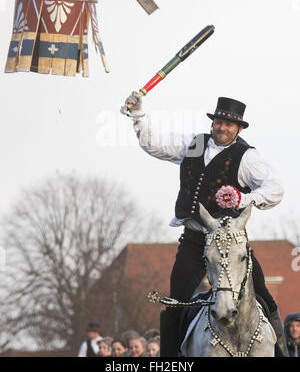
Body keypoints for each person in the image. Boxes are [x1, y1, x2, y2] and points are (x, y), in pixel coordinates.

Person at [121, 93, 286, 357]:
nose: (222, 128)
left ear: (239, 128)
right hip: (196, 237)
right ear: (213, 122)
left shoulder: (247, 157)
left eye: (229, 125)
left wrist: (245, 198)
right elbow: (155, 145)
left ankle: (283, 352)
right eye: (218, 122)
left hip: (230, 240)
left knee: (263, 295)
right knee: (175, 301)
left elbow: (275, 189)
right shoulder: (195, 144)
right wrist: (138, 115)